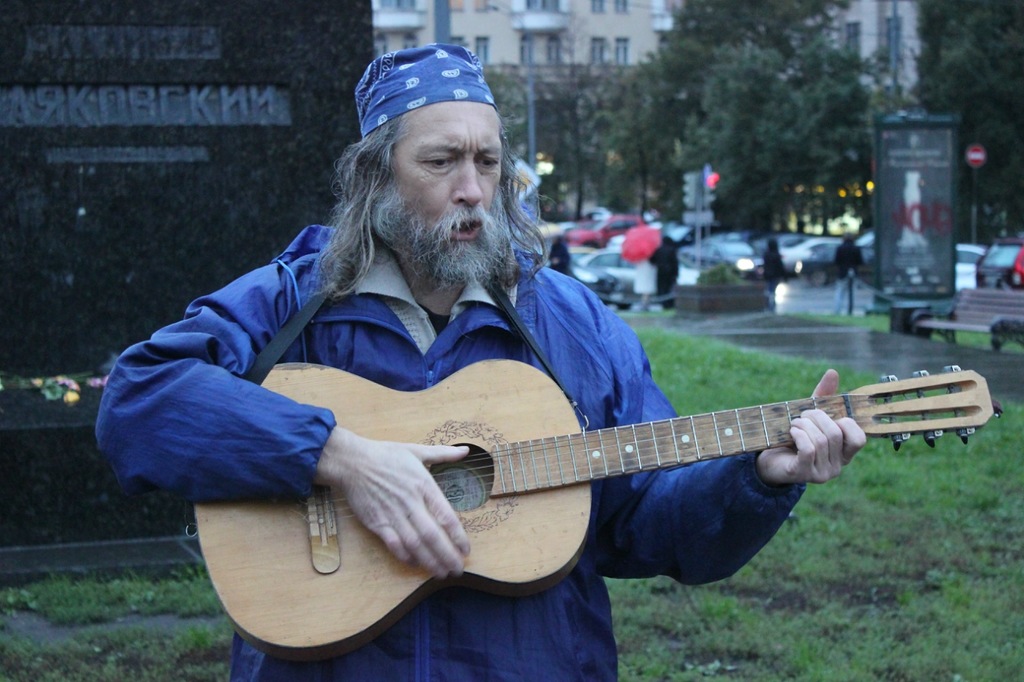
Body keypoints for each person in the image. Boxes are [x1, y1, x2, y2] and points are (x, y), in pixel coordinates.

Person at [96, 44, 866, 680]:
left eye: (488, 162)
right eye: (441, 162)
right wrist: (337, 457)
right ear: (376, 176)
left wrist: (757, 478)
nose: (473, 190)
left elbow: (648, 525)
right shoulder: (291, 300)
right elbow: (138, 399)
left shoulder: (571, 321)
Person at [833, 234, 864, 315]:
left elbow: (836, 261)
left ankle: (837, 310)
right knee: (852, 293)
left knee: (840, 292)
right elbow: (860, 261)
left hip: (842, 272)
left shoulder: (840, 248)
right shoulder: (856, 248)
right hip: (853, 272)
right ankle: (850, 310)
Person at [651, 235, 680, 309]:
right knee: (669, 287)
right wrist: (676, 273)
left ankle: (662, 302)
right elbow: (675, 263)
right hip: (670, 273)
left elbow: (652, 259)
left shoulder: (658, 249)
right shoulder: (672, 250)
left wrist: (657, 264)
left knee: (661, 287)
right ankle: (669, 303)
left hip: (660, 271)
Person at [762, 237, 785, 312]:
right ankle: (772, 306)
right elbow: (780, 266)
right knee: (773, 291)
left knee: (769, 291)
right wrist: (784, 275)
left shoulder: (766, 254)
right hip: (775, 276)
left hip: (767, 275)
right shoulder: (776, 255)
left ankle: (768, 306)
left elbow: (765, 265)